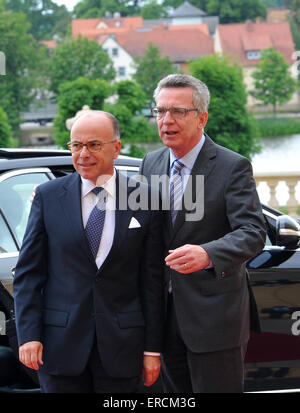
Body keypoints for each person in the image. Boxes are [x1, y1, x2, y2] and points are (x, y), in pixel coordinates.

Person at [13, 110, 164, 393]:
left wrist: (152, 350)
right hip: (58, 347)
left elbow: (152, 282)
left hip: (122, 348)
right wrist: (28, 336)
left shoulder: (144, 199)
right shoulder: (48, 197)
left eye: (94, 145)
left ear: (116, 148)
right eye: (76, 145)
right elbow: (28, 274)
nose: (83, 154)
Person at [140, 74, 266, 393]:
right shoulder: (150, 164)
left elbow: (252, 231)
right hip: (163, 321)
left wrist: (208, 254)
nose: (166, 120)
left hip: (215, 320)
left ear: (202, 117)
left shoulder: (232, 167)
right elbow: (137, 227)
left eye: (178, 112)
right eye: (160, 111)